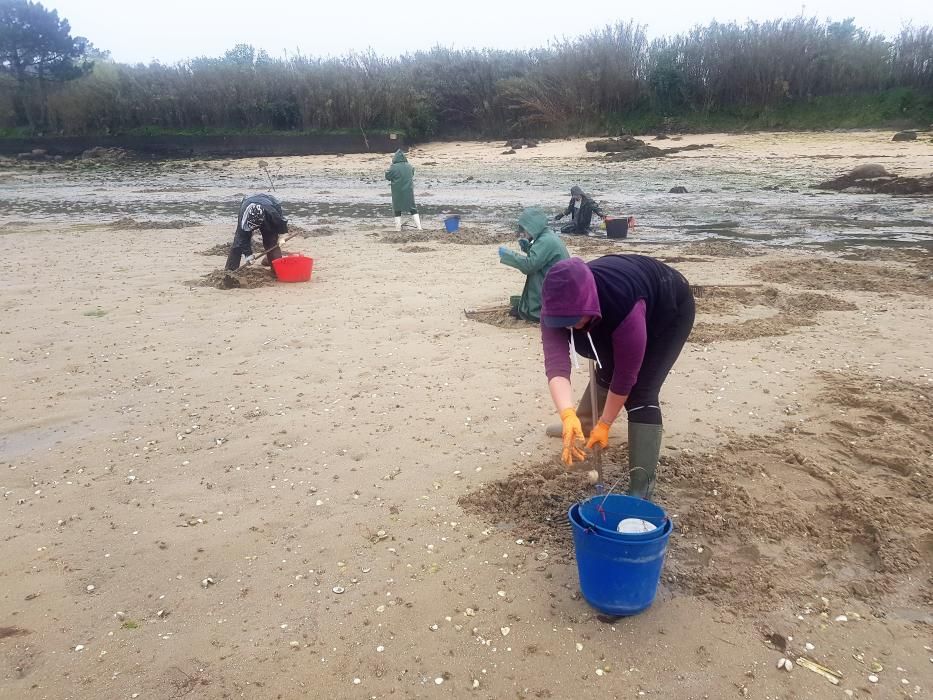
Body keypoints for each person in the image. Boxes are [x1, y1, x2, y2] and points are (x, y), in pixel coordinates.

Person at [539, 255, 695, 500]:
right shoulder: (554, 304)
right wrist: (566, 414)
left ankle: (641, 488)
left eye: (575, 320)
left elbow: (625, 377)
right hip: (612, 312)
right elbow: (556, 364)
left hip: (667, 308)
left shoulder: (622, 302)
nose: (571, 327)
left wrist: (607, 424)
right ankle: (581, 424)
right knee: (606, 368)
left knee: (642, 391)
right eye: (564, 322)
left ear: (588, 303)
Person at [498, 207, 570, 322]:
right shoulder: (547, 236)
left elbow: (530, 265)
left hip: (555, 287)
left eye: (525, 229)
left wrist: (508, 255)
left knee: (534, 275)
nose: (523, 232)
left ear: (533, 227)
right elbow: (541, 258)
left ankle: (535, 312)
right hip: (559, 285)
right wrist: (527, 247)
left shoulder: (545, 241)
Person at [224, 193, 289, 271]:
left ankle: (277, 270)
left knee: (271, 241)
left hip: (269, 203)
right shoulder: (243, 217)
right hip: (248, 201)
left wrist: (282, 235)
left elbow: (280, 222)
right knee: (238, 243)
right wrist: (248, 255)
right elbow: (242, 237)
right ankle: (230, 271)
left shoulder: (272, 213)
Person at [385, 149, 421, 232]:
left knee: (397, 209)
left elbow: (387, 176)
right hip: (408, 190)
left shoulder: (393, 167)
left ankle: (398, 229)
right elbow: (412, 173)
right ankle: (419, 227)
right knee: (413, 209)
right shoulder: (409, 166)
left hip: (397, 191)